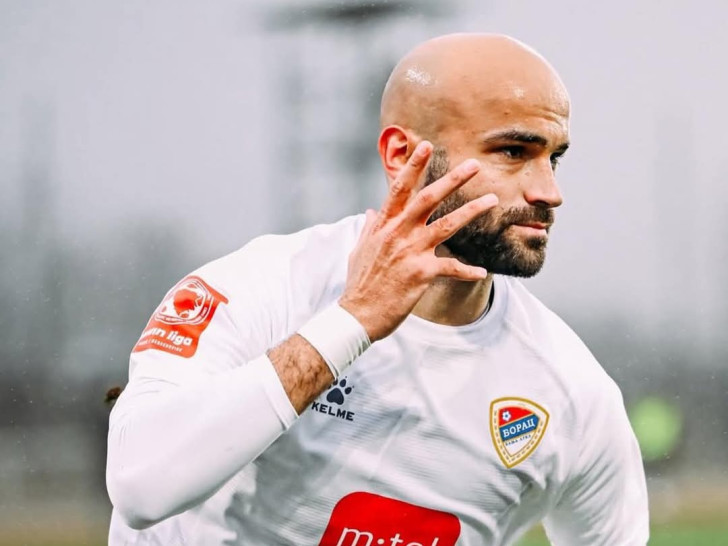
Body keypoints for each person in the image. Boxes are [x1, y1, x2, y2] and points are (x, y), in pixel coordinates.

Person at [106, 33, 649, 545]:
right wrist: (354, 319)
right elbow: (141, 486)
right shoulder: (258, 288)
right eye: (512, 152)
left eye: (554, 158)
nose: (548, 191)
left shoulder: (572, 391)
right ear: (401, 155)